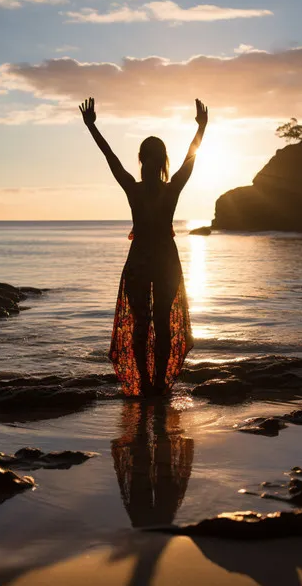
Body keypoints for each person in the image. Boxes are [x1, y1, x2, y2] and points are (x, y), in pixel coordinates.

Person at [80, 97, 208, 396]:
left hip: (146, 261)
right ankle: (154, 384)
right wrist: (202, 128)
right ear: (163, 160)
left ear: (143, 159)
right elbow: (191, 156)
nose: (149, 163)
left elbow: (110, 155)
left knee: (148, 325)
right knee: (155, 324)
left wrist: (92, 127)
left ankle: (153, 384)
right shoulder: (167, 187)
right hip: (161, 261)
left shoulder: (138, 188)